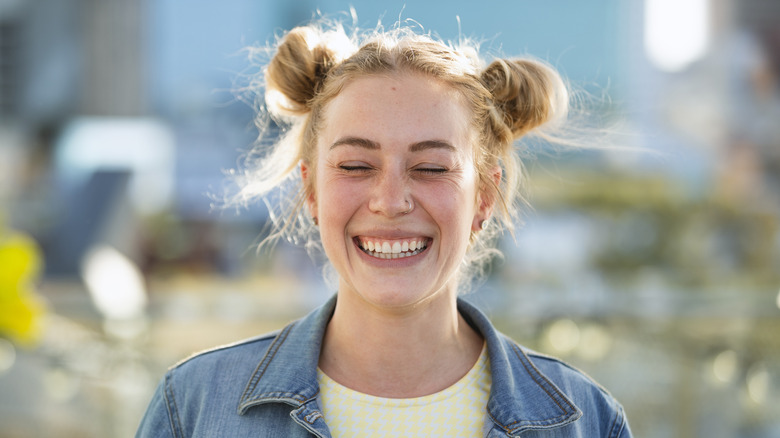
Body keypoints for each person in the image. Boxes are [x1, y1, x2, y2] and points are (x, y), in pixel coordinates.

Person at [136, 17, 632, 438]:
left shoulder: (587, 421)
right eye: (355, 166)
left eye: (431, 168)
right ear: (311, 190)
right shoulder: (194, 407)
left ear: (483, 196)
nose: (390, 202)